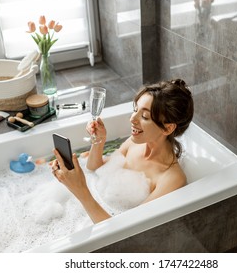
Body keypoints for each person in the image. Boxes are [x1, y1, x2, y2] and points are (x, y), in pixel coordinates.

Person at [51, 79, 194, 223]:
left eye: (144, 116)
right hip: (92, 210)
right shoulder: (134, 144)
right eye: (135, 110)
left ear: (168, 128)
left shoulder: (172, 178)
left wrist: (80, 190)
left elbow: (126, 230)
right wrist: (100, 141)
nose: (132, 119)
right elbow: (94, 168)